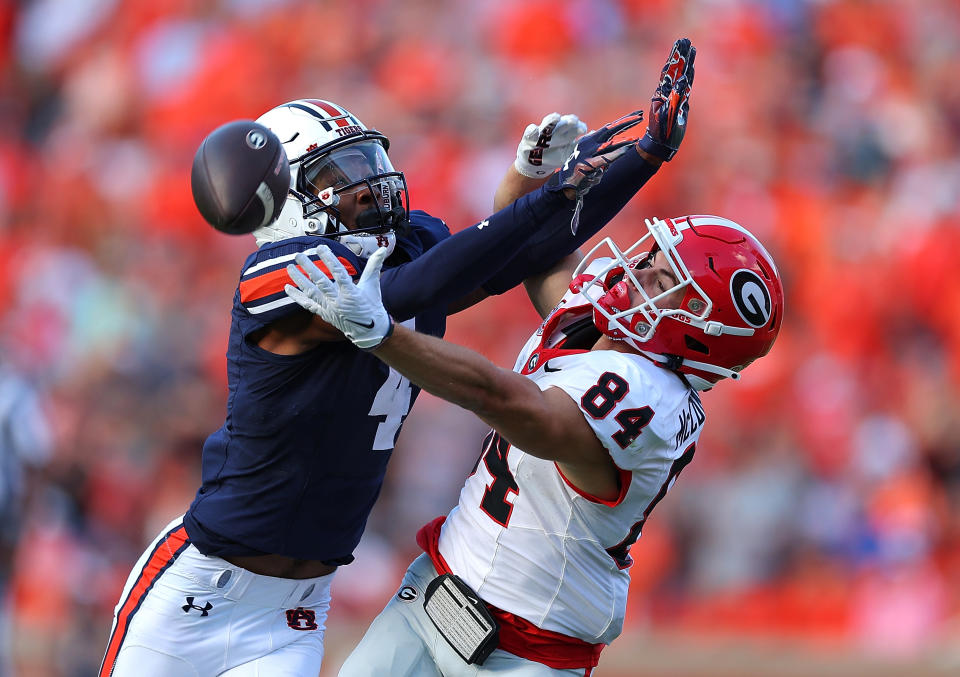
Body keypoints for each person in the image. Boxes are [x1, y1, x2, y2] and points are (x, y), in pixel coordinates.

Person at [99, 39, 696, 677]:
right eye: (337, 177)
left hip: (292, 613)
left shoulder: (409, 248)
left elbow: (521, 251)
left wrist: (642, 155)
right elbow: (402, 292)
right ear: (288, 200)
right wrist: (544, 197)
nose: (365, 186)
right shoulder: (277, 272)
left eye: (364, 163)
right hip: (196, 594)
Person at [286, 209, 783, 676]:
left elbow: (510, 403)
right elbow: (534, 242)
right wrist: (539, 174)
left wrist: (383, 335)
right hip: (433, 591)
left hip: (526, 651)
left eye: (666, 279)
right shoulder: (605, 321)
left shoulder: (653, 398)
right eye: (654, 255)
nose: (641, 271)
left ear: (700, 329)